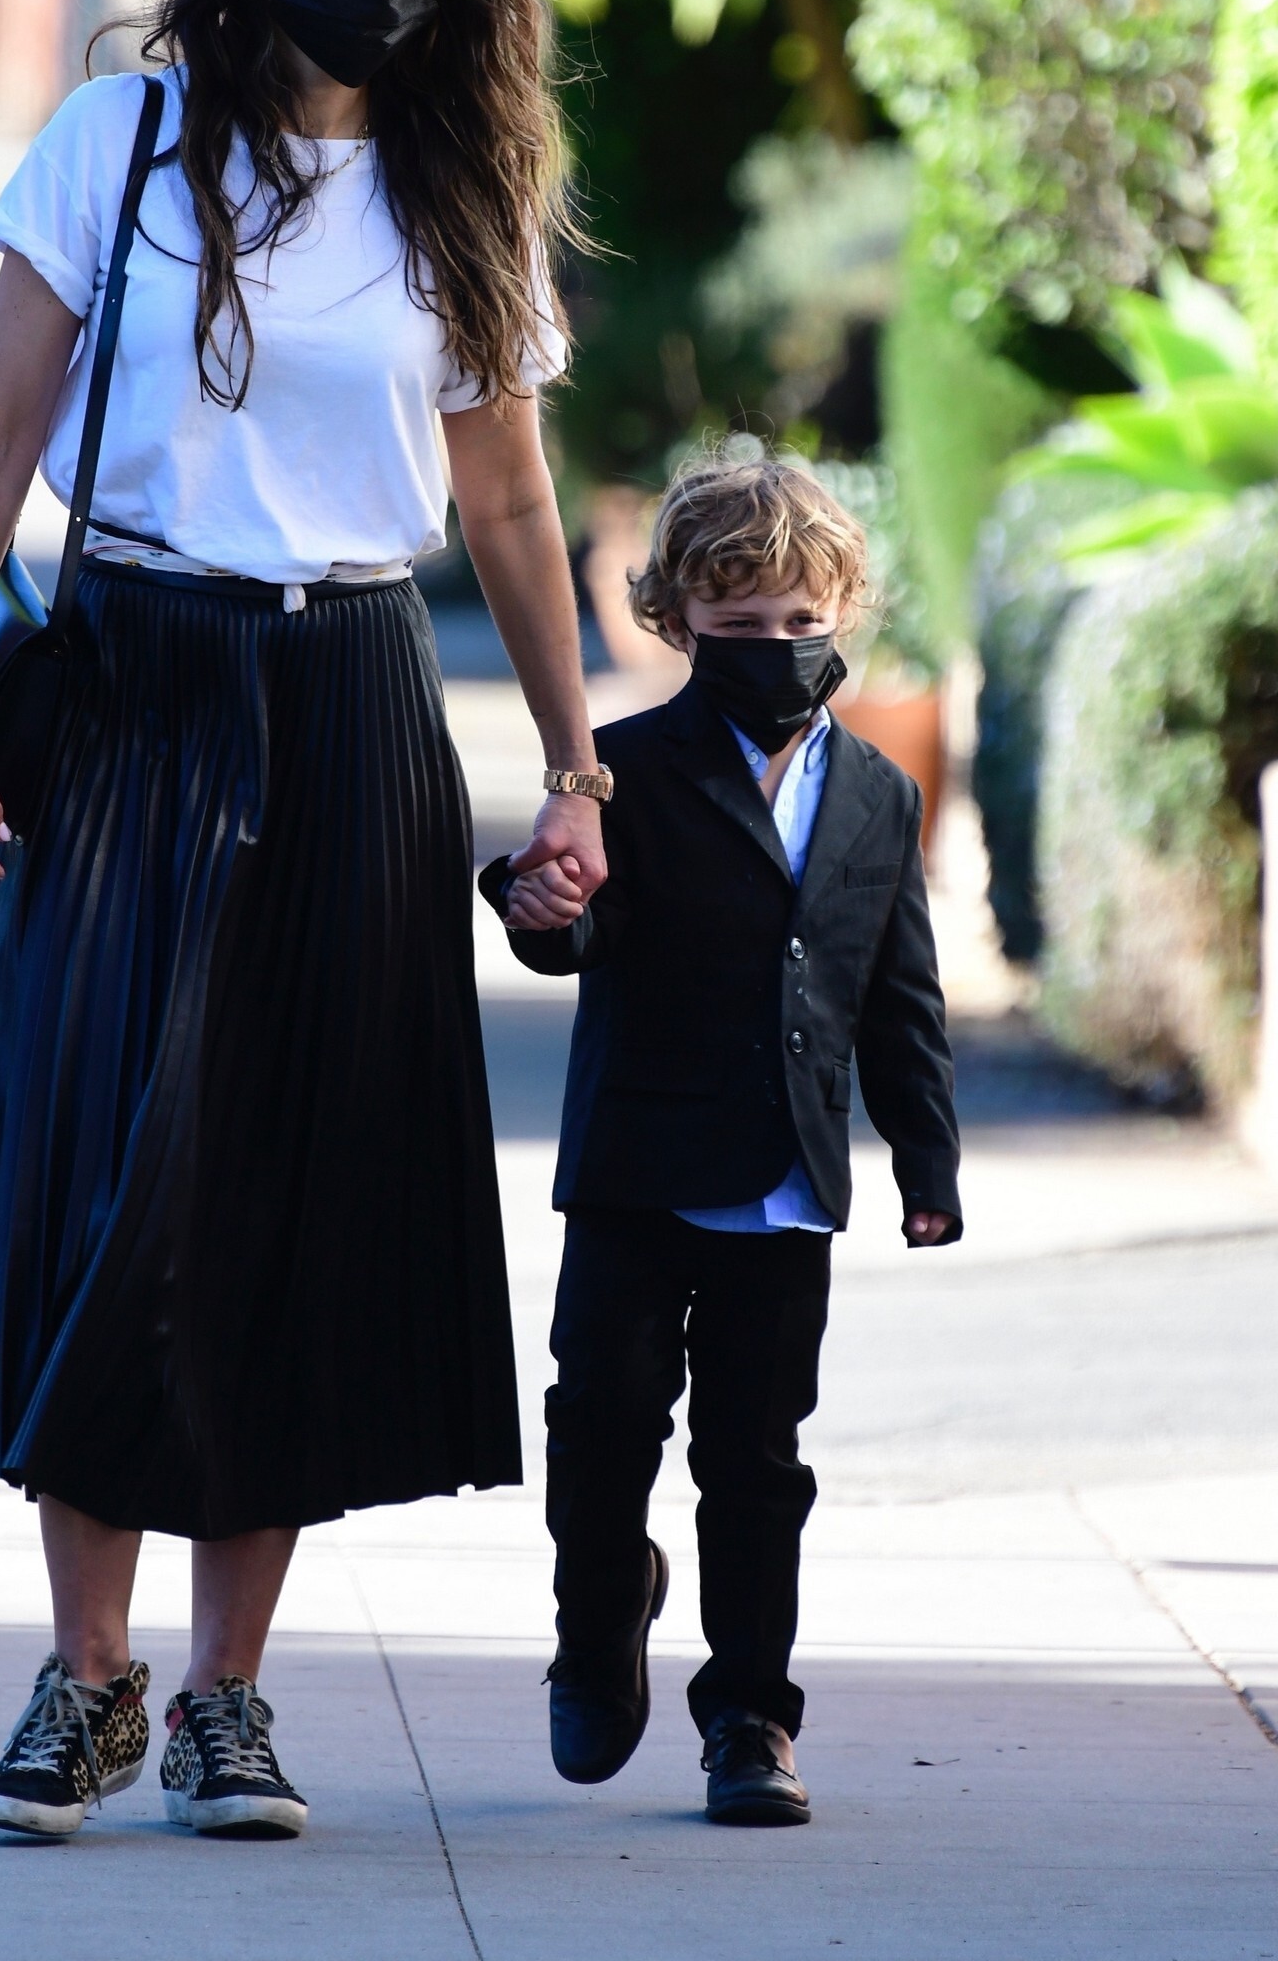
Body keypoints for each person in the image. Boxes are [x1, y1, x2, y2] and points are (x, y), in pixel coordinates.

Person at [0, 0, 611, 1843]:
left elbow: (507, 503)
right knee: (100, 1169)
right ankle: (85, 1679)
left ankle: (228, 1698)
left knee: (291, 1184)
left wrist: (575, 766)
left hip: (353, 697)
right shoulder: (115, 145)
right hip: (129, 679)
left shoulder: (456, 192)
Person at [479, 453, 961, 1826]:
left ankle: (751, 1716)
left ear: (842, 614)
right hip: (638, 1171)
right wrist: (538, 905)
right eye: (741, 625)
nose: (776, 647)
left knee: (755, 1459)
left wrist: (926, 1163)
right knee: (600, 1428)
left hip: (786, 1181)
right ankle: (597, 1631)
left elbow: (899, 996)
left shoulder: (879, 795)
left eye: (801, 623)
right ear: (679, 620)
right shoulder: (621, 772)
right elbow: (576, 927)